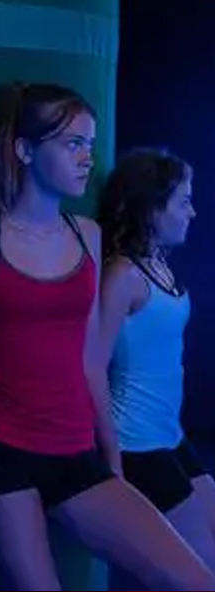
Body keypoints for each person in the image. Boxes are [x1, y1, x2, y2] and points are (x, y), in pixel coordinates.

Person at [0, 82, 215, 590]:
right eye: (72, 143)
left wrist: (111, 457)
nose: (86, 158)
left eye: (89, 144)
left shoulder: (87, 235)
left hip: (76, 451)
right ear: (25, 150)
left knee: (195, 580)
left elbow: (88, 358)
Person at [98, 148, 215, 572]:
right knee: (203, 568)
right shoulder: (122, 275)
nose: (192, 213)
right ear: (152, 209)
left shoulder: (159, 265)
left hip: (168, 433)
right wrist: (110, 455)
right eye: (183, 202)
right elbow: (91, 367)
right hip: (136, 442)